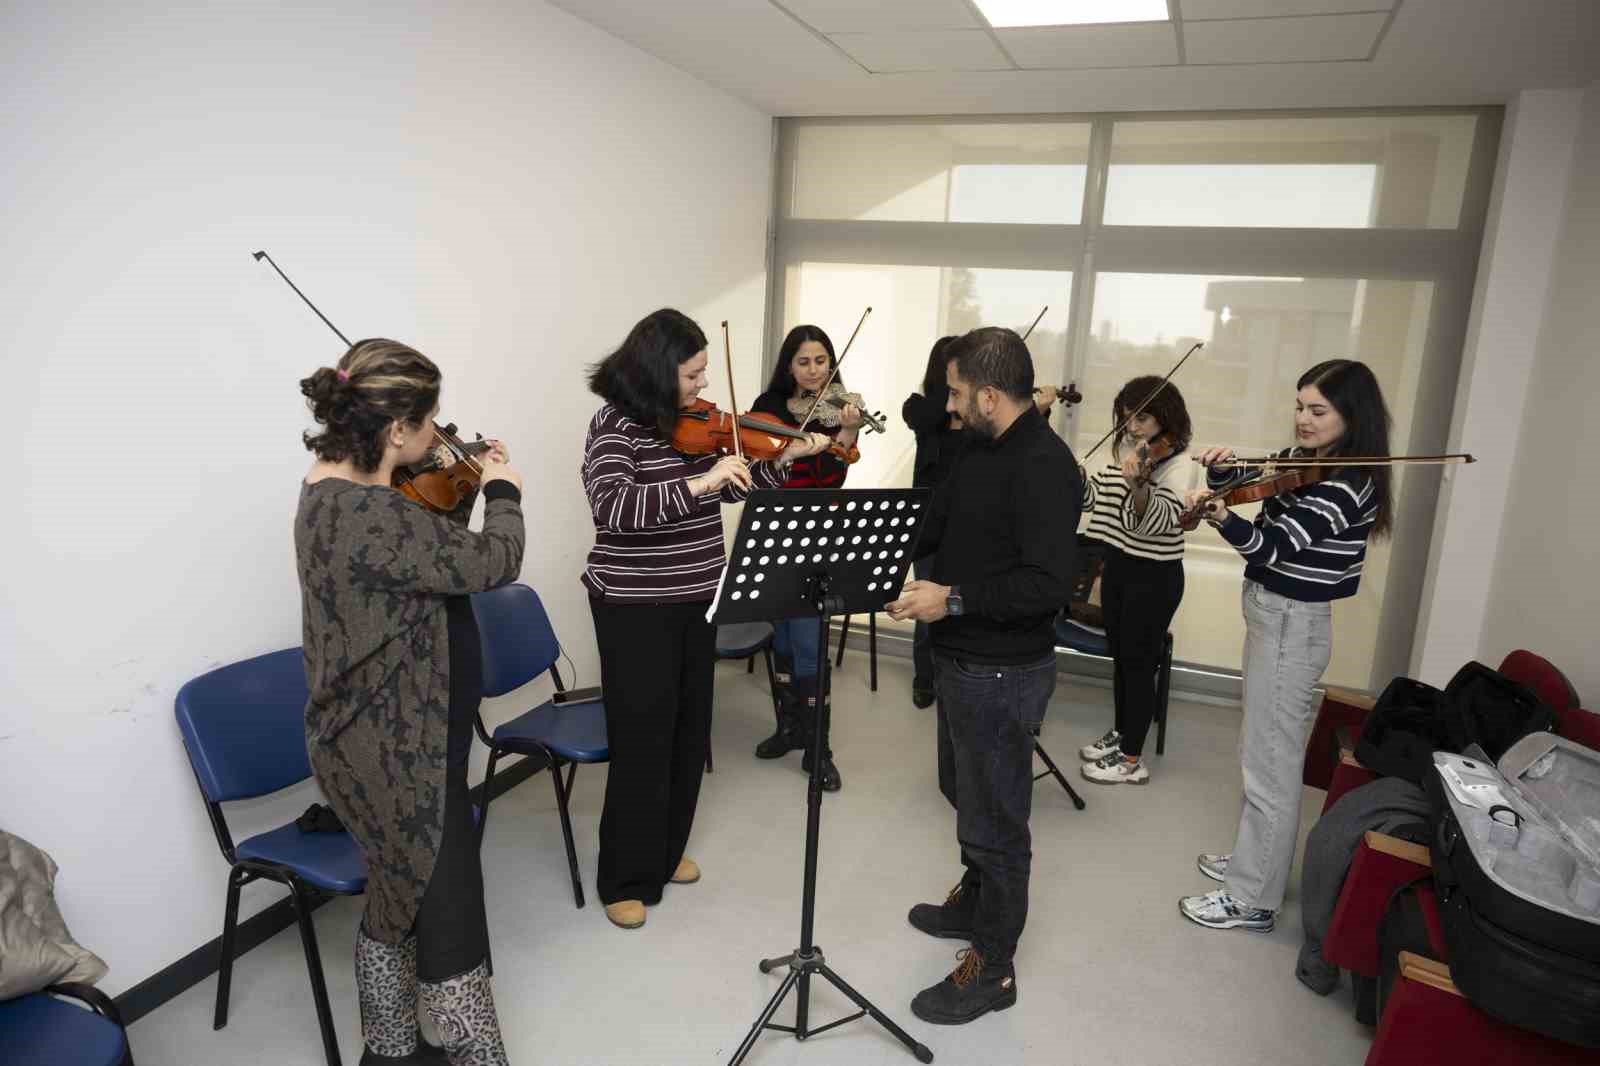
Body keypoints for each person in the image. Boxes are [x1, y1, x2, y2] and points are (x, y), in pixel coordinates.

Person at [295, 339, 525, 1065]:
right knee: (449, 911)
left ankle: (391, 1050)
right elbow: (494, 562)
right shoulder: (374, 516)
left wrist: (449, 481)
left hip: (374, 743)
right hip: (400, 755)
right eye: (428, 423)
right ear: (396, 430)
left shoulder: (328, 492)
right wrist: (504, 490)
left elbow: (416, 556)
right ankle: (474, 1054)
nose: (436, 437)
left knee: (397, 899)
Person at [582, 308, 831, 930]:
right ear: (658, 369)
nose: (701, 386)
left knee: (689, 733)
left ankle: (663, 855)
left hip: (697, 594)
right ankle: (623, 875)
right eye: (691, 374)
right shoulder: (614, 425)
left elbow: (726, 484)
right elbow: (616, 509)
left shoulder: (686, 424)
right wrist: (700, 486)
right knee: (642, 740)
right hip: (635, 605)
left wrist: (775, 462)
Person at [886, 327, 1080, 1025]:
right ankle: (974, 900)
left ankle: (993, 968)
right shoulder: (975, 448)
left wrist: (953, 599)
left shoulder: (1047, 466)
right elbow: (933, 524)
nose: (950, 401)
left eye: (959, 391)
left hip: (1006, 673)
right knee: (959, 789)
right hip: (959, 660)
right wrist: (877, 562)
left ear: (991, 395)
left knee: (1000, 825)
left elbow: (1047, 584)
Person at [1178, 359, 1393, 933]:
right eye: (1299, 406)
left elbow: (1271, 547)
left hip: (1293, 624)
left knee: (1269, 764)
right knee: (1260, 750)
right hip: (1274, 619)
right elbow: (1258, 488)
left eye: (1317, 410)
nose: (1302, 419)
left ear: (1352, 415)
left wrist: (1221, 516)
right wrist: (1225, 473)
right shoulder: (1308, 464)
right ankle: (1258, 861)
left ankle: (1253, 897)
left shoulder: (1350, 484)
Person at [747, 324, 864, 790]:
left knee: (810, 642)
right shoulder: (768, 410)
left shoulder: (838, 410)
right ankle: (789, 728)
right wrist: (788, 453)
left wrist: (850, 429)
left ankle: (820, 750)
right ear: (788, 365)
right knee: (781, 640)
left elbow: (834, 480)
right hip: (774, 536)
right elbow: (755, 471)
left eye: (821, 361)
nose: (814, 371)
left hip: (819, 536)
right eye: (804, 361)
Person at [1075, 377, 1199, 787]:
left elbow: (1158, 523)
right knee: (1122, 659)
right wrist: (1073, 479)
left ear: (1166, 417)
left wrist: (1140, 487)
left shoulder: (1179, 464)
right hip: (1118, 566)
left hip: (1154, 574)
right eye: (1127, 418)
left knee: (1140, 664)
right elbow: (1095, 501)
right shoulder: (1130, 452)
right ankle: (1123, 731)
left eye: (1141, 418)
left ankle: (1131, 759)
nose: (1132, 428)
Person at [900, 336, 967, 710]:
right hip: (927, 524)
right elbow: (928, 417)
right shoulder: (921, 407)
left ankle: (954, 674)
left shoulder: (975, 420)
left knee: (956, 602)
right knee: (926, 605)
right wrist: (951, 398)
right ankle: (924, 677)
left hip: (965, 525)